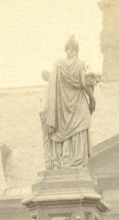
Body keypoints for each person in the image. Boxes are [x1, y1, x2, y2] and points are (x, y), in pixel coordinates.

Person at [40, 36, 98, 170]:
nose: (68, 52)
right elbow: (83, 84)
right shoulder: (80, 64)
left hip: (62, 107)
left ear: (72, 50)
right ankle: (75, 162)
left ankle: (65, 161)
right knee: (77, 130)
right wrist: (92, 98)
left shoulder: (59, 64)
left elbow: (50, 81)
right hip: (77, 103)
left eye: (69, 49)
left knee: (65, 132)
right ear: (77, 50)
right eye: (68, 49)